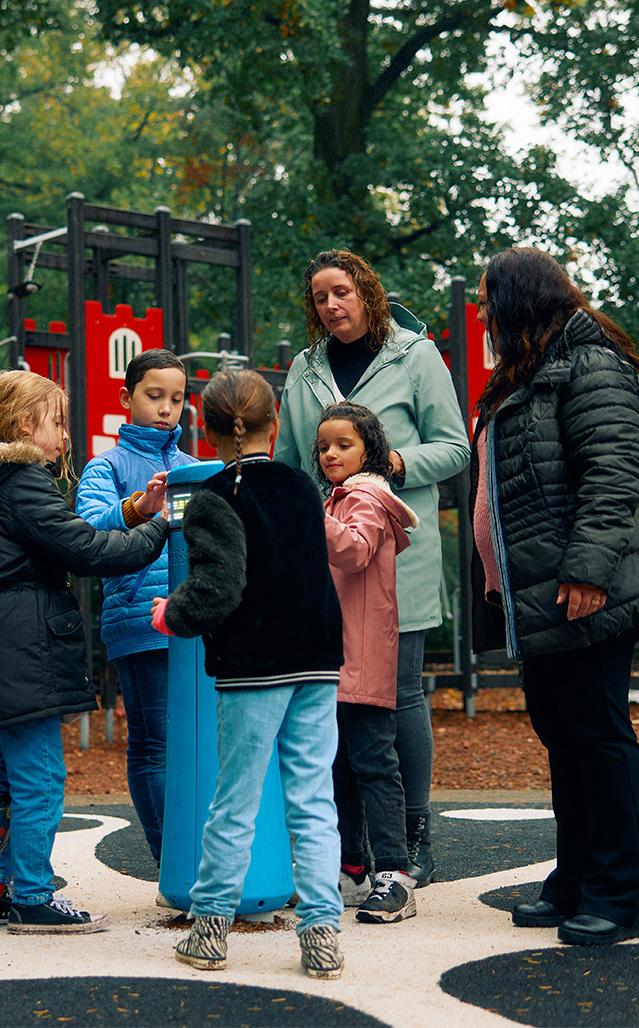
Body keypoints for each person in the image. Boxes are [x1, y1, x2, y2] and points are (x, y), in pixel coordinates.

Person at [469, 246, 639, 946]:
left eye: (486, 299)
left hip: (588, 587)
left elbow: (615, 472)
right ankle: (576, 878)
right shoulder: (533, 368)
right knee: (563, 734)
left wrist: (589, 571)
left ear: (518, 300)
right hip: (543, 591)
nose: (480, 311)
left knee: (597, 732)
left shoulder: (592, 365)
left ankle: (621, 897)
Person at [0, 370, 168, 934]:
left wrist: (135, 515)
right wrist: (158, 529)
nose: (66, 436)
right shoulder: (23, 481)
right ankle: (34, 896)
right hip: (22, 638)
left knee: (5, 779)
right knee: (40, 776)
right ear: (24, 425)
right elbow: (85, 548)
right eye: (58, 422)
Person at [275, 248, 470, 887]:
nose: (332, 305)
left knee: (398, 694)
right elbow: (286, 461)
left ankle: (412, 837)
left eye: (342, 292)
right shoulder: (304, 370)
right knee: (330, 698)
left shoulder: (416, 356)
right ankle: (349, 844)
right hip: (324, 557)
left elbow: (455, 448)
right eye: (320, 298)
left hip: (394, 556)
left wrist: (389, 467)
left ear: (367, 291)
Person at [149, 369, 348, 980]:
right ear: (278, 425)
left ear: (203, 432)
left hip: (253, 669)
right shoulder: (301, 488)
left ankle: (209, 931)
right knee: (314, 800)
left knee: (235, 799)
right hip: (316, 660)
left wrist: (170, 615)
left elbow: (218, 586)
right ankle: (322, 936)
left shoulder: (212, 498)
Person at [74, 348, 192, 864]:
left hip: (193, 622)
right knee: (156, 742)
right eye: (154, 396)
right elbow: (87, 526)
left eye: (177, 399)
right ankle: (170, 857)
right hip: (139, 621)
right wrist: (136, 507)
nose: (166, 408)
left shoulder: (192, 468)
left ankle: (197, 853)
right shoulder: (107, 465)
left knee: (192, 742)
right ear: (126, 399)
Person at [313, 401, 419, 924]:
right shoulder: (337, 500)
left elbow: (354, 553)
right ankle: (351, 868)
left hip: (364, 657)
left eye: (344, 444)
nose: (331, 453)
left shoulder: (369, 499)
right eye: (324, 446)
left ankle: (395, 874)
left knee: (375, 765)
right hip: (337, 656)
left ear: (369, 450)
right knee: (340, 768)